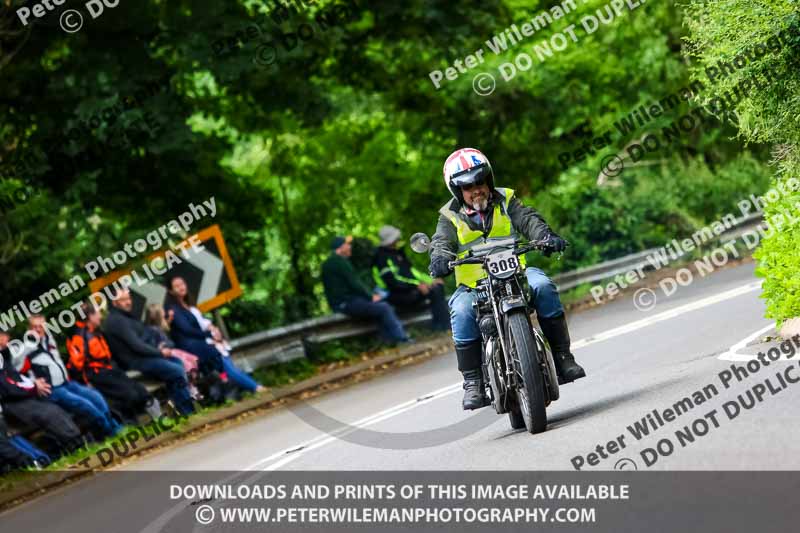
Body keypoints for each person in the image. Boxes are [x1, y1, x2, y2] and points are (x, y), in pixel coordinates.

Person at [428, 148, 586, 410]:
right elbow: (441, 242)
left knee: (543, 285)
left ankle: (563, 358)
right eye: (468, 187)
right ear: (457, 190)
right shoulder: (449, 215)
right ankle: (473, 382)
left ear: (488, 179)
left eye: (480, 182)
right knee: (461, 310)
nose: (476, 190)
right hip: (474, 286)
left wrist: (545, 236)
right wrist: (440, 258)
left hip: (516, 275)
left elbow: (529, 220)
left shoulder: (507, 199)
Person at [23, 315, 121, 438]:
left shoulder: (49, 340)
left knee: (96, 397)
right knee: (86, 405)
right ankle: (110, 432)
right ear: (29, 329)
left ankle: (115, 426)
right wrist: (34, 383)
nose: (38, 329)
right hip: (53, 390)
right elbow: (17, 374)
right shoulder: (25, 349)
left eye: (41, 326)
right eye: (34, 327)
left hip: (67, 383)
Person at [103, 288, 195, 416]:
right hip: (135, 362)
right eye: (123, 300)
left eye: (128, 298)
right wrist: (160, 352)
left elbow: (146, 335)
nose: (128, 302)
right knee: (176, 370)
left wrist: (159, 346)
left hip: (146, 356)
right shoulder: (116, 321)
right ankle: (188, 412)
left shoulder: (126, 316)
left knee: (177, 363)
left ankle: (183, 409)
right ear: (114, 303)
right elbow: (136, 345)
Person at [165, 276, 265, 394]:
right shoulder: (173, 309)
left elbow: (201, 324)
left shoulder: (186, 305)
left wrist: (212, 332)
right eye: (176, 286)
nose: (181, 287)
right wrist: (209, 334)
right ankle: (255, 387)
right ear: (171, 291)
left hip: (201, 343)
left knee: (225, 366)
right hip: (192, 347)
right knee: (224, 365)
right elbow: (187, 330)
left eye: (182, 284)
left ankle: (241, 388)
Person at [67, 302, 161, 425]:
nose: (100, 316)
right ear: (90, 316)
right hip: (97, 376)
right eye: (98, 313)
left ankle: (159, 419)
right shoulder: (79, 337)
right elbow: (75, 367)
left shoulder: (95, 331)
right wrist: (86, 384)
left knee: (140, 390)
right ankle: (131, 425)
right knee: (129, 394)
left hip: (109, 370)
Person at [0, 330, 83, 456]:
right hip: (12, 403)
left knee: (54, 409)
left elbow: (18, 378)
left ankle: (76, 442)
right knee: (48, 413)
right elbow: (8, 386)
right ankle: (73, 443)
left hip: (23, 396)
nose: (7, 339)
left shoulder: (6, 357)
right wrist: (34, 387)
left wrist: (34, 383)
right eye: (3, 336)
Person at [322, 235, 410, 344]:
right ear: (340, 247)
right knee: (384, 307)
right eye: (347, 244)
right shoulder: (340, 262)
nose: (350, 247)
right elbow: (355, 283)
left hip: (342, 303)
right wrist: (371, 296)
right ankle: (402, 339)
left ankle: (389, 341)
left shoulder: (328, 263)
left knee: (378, 308)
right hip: (346, 303)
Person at [372, 225, 450, 331]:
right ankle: (442, 326)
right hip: (393, 294)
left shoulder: (398, 253)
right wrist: (417, 285)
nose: (398, 239)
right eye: (395, 237)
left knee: (437, 286)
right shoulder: (381, 257)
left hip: (408, 289)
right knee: (433, 290)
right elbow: (393, 282)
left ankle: (442, 325)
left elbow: (413, 272)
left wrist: (431, 280)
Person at [143, 304, 202, 400]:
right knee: (187, 365)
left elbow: (168, 341)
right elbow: (158, 345)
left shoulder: (158, 328)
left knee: (193, 360)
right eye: (162, 313)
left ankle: (192, 386)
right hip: (167, 355)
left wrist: (169, 319)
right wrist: (161, 346)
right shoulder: (152, 330)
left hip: (172, 351)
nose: (164, 314)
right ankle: (190, 388)